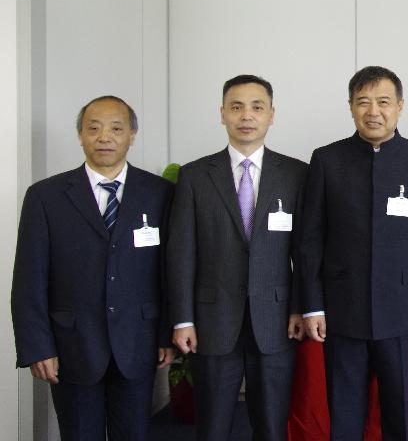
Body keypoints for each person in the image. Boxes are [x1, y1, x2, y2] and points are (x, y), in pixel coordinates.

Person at [298, 65, 408, 441]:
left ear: (400, 106)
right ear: (351, 107)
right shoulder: (327, 159)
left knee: (402, 413)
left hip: (403, 310)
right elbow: (310, 239)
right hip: (341, 310)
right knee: (344, 415)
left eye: (383, 102)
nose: (373, 111)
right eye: (363, 102)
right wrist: (312, 306)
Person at [11, 95, 175, 441]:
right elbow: (29, 280)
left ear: (132, 135)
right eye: (94, 128)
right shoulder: (46, 196)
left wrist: (165, 335)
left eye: (116, 128)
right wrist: (38, 347)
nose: (104, 137)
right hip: (72, 345)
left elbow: (170, 273)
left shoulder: (161, 193)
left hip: (139, 343)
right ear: (81, 135)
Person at [166, 74, 308, 441]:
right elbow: (181, 253)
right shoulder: (195, 176)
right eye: (237, 107)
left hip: (276, 320)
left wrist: (299, 308)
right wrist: (182, 319)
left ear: (271, 114)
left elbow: (305, 252)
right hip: (212, 320)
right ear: (222, 114)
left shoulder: (296, 174)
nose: (247, 115)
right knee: (212, 428)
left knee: (272, 427)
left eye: (257, 107)